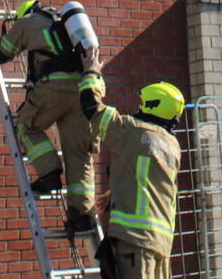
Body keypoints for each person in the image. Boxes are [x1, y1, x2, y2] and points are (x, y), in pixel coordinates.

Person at [0, 0, 99, 232]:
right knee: (79, 152)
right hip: (83, 88)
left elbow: (2, 53)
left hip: (53, 87)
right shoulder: (66, 26)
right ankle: (82, 217)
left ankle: (49, 174)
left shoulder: (28, 22)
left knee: (26, 126)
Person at [78, 45, 184, 279]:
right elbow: (145, 177)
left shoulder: (132, 131)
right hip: (161, 245)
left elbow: (92, 107)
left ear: (152, 104)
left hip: (135, 242)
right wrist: (116, 191)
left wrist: (91, 72)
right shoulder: (172, 146)